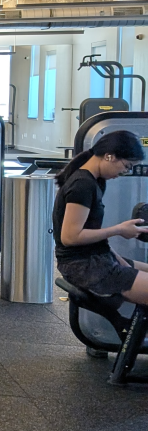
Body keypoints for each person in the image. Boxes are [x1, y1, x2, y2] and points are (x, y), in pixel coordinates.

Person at [53, 129, 148, 302]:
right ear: (109, 156)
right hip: (83, 267)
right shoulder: (82, 184)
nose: (123, 173)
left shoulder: (95, 181)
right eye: (126, 166)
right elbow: (70, 237)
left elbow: (96, 240)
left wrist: (121, 262)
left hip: (96, 259)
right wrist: (119, 230)